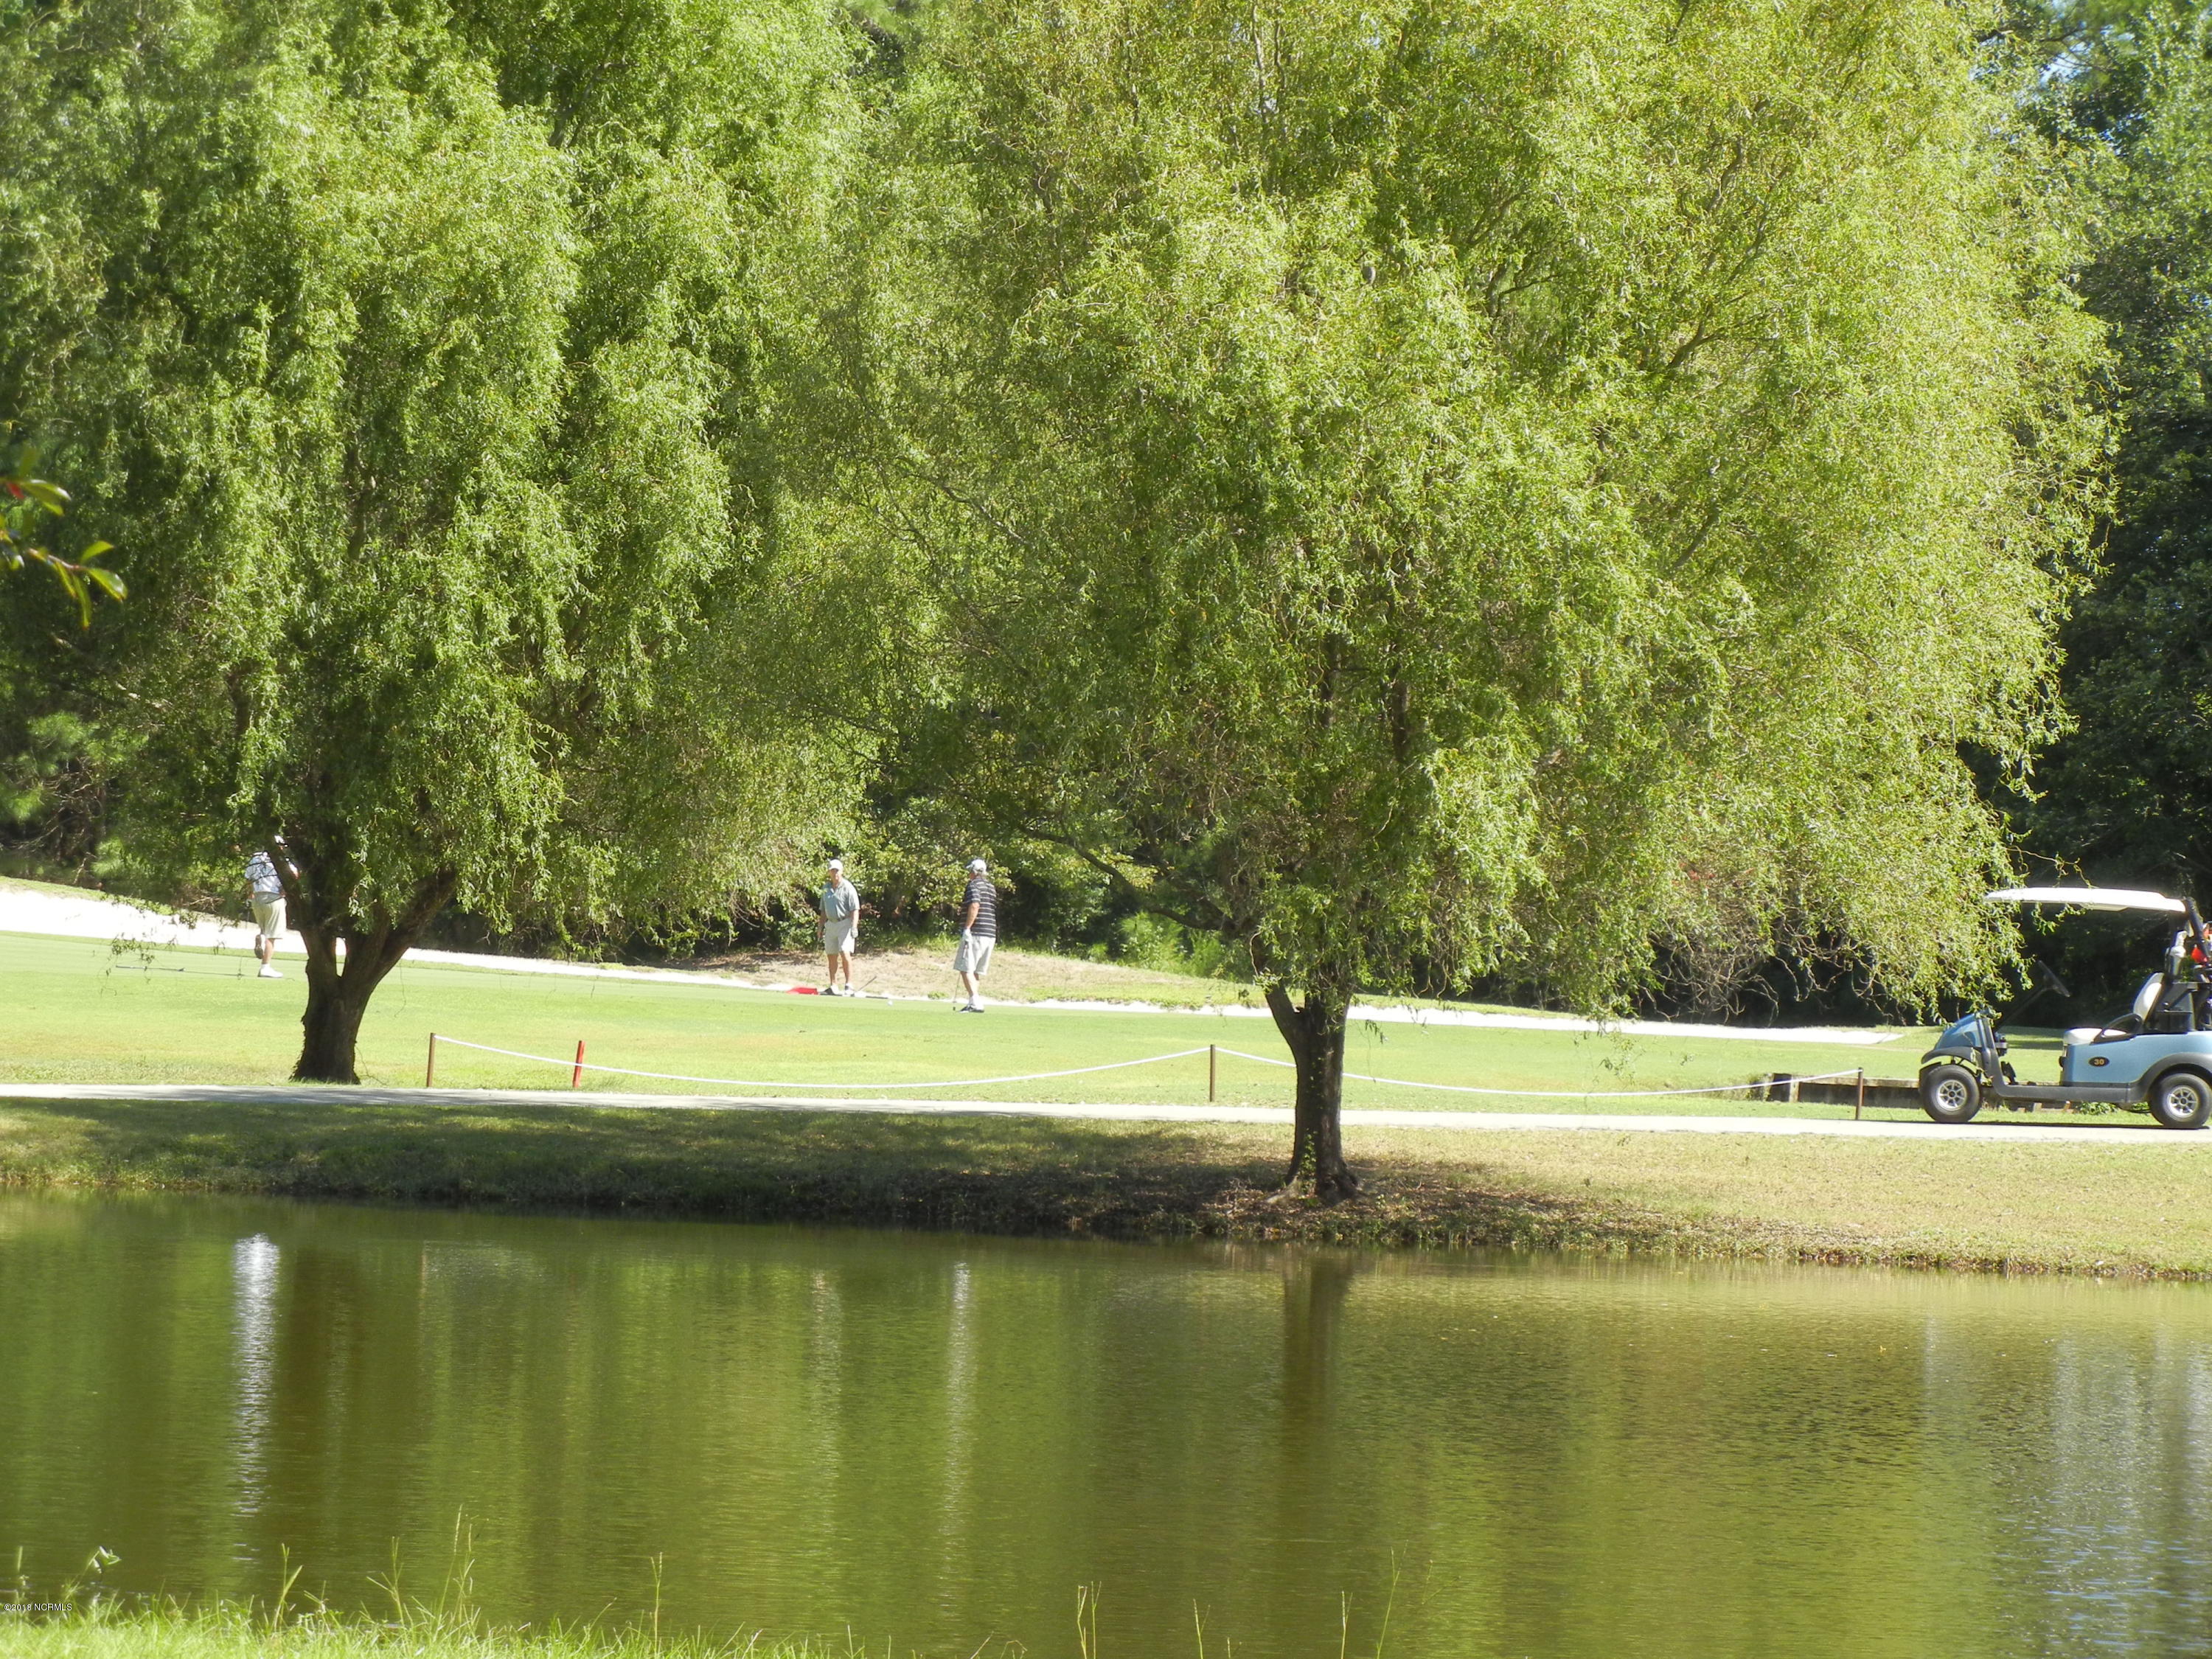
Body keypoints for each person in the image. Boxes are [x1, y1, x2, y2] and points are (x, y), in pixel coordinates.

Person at [953, 857, 997, 1012]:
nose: (969, 875)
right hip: (990, 933)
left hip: (977, 932)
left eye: (970, 872)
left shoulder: (973, 885)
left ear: (973, 872)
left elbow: (975, 905)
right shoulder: (991, 887)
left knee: (965, 968)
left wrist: (967, 928)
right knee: (975, 970)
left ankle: (976, 1002)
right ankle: (973, 1001)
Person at [243, 845, 288, 980]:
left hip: (257, 898)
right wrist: (284, 888)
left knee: (265, 929)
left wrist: (251, 893)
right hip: (274, 897)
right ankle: (265, 967)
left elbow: (248, 878)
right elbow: (295, 874)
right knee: (272, 935)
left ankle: (261, 936)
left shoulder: (256, 858)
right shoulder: (281, 859)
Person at [821, 858, 860, 995]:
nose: (835, 873)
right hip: (831, 924)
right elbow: (823, 910)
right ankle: (833, 985)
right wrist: (820, 928)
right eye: (832, 871)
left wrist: (854, 927)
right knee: (831, 954)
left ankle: (849, 985)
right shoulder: (826, 889)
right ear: (829, 872)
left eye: (837, 870)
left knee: (845, 952)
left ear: (841, 871)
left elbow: (855, 909)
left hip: (845, 923)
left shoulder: (848, 888)